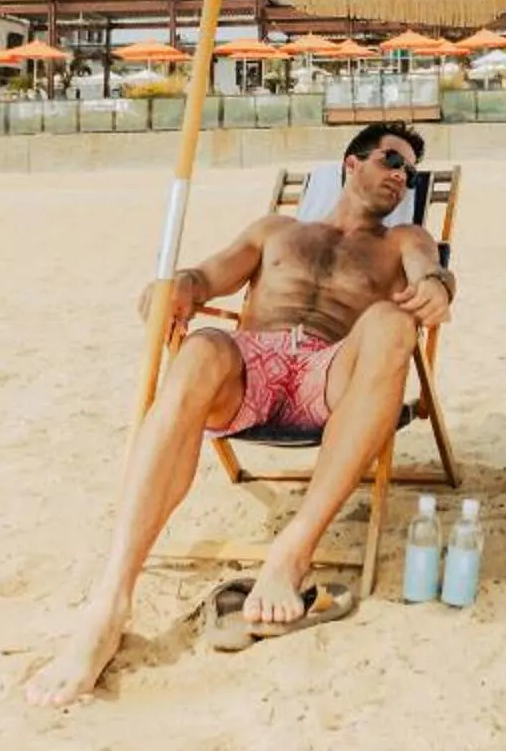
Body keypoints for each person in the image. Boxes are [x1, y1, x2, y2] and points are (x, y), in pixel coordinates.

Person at [23, 122, 452, 706]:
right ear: (351, 165)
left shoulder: (403, 239)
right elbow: (207, 276)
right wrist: (176, 287)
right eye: (391, 161)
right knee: (199, 345)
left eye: (410, 173)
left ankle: (292, 553)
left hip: (328, 376)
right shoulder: (276, 230)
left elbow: (431, 270)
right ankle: (111, 598)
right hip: (250, 368)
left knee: (391, 323)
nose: (402, 177)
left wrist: (436, 286)